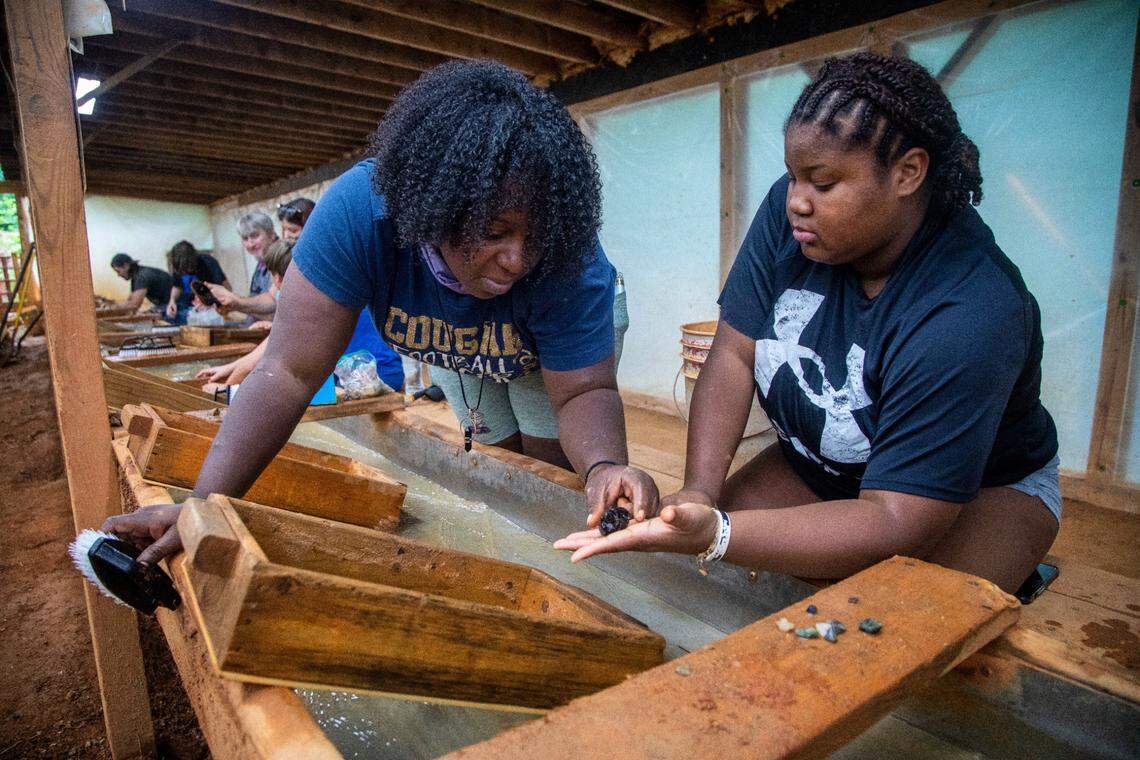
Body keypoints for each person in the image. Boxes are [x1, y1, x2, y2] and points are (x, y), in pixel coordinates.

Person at [105, 60, 655, 564]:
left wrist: (603, 468)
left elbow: (581, 393)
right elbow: (288, 371)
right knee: (496, 457)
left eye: (534, 237)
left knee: (549, 470)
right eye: (493, 232)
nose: (518, 259)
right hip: (457, 341)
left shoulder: (568, 261)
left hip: (551, 355)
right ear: (435, 209)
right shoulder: (359, 213)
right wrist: (203, 503)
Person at [556, 53, 1059, 594]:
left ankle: (1016, 568)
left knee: (881, 618)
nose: (797, 201)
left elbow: (895, 519)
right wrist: (701, 491)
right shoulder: (792, 216)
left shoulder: (969, 312)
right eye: (794, 176)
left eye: (822, 182)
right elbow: (733, 355)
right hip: (824, 467)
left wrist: (721, 533)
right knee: (710, 575)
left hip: (969, 492)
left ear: (908, 173)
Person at [196, 240, 405, 392]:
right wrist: (229, 368)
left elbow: (265, 358)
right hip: (377, 372)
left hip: (371, 380)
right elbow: (269, 345)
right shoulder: (326, 286)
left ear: (277, 278)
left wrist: (226, 390)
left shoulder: (307, 302)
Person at [205, 212, 280, 319]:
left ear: (271, 234)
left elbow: (273, 304)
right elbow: (258, 309)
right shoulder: (261, 263)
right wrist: (231, 305)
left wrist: (234, 299)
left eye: (255, 236)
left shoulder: (282, 258)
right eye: (245, 238)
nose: (250, 244)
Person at [165, 241, 230, 325]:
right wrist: (172, 301)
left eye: (187, 269)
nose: (184, 272)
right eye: (182, 270)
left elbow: (224, 288)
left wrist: (211, 303)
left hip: (212, 307)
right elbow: (177, 286)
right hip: (192, 307)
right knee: (169, 315)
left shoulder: (208, 262)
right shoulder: (179, 265)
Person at [108, 253, 174, 316]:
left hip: (176, 305)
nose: (118, 275)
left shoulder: (142, 276)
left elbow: (134, 305)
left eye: (118, 271)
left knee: (149, 315)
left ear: (126, 266)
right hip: (167, 305)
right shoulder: (137, 276)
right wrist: (112, 303)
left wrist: (112, 307)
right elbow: (130, 301)